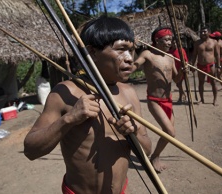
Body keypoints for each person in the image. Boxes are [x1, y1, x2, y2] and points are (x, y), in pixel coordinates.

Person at [24, 16, 152, 194]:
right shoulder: (65, 93)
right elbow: (31, 150)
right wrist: (70, 119)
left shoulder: (129, 93)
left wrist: (134, 132)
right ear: (92, 52)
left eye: (131, 50)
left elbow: (147, 149)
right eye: (121, 49)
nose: (130, 58)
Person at [134, 26, 186, 173]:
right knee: (170, 133)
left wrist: (182, 71)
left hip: (168, 100)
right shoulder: (148, 54)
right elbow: (135, 66)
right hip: (154, 100)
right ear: (157, 40)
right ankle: (155, 156)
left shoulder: (170, 57)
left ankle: (155, 156)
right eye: (166, 39)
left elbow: (176, 79)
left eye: (171, 39)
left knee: (168, 133)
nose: (170, 42)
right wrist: (132, 51)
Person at [191, 26, 220, 106]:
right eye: (201, 32)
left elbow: (217, 55)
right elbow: (194, 55)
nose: (202, 33)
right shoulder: (197, 43)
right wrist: (192, 65)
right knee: (200, 83)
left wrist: (218, 66)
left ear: (209, 32)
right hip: (200, 65)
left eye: (204, 32)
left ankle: (215, 99)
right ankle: (201, 99)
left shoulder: (214, 42)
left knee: (213, 82)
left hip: (211, 66)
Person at [169, 38, 189, 102]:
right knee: (178, 84)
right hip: (175, 70)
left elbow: (186, 60)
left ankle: (182, 96)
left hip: (182, 69)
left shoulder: (181, 50)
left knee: (180, 84)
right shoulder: (170, 52)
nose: (175, 44)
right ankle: (182, 95)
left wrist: (186, 67)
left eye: (176, 43)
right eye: (173, 43)